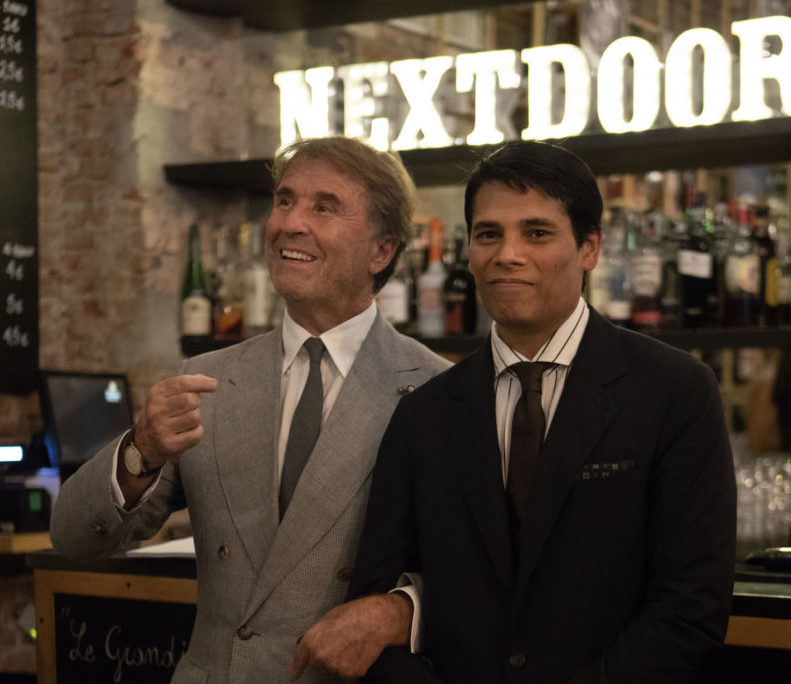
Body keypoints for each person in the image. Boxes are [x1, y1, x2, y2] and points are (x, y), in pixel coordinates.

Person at [295, 140, 736, 683]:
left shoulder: (673, 390)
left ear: (590, 248)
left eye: (537, 233)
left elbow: (691, 606)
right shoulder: (425, 413)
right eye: (488, 234)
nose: (507, 254)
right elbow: (376, 598)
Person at [50, 136, 450, 684]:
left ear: (382, 251)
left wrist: (396, 611)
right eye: (284, 200)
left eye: (324, 207)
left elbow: (474, 579)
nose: (289, 223)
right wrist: (140, 450)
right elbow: (73, 538)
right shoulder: (209, 380)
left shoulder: (433, 389)